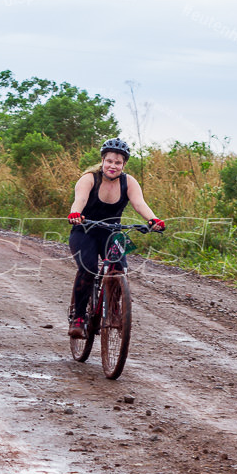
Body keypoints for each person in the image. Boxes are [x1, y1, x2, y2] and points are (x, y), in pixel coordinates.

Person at [67, 137, 164, 338]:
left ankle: (112, 311)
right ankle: (78, 317)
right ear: (103, 160)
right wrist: (75, 214)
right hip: (84, 230)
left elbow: (139, 203)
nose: (113, 166)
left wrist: (153, 219)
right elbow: (80, 199)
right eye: (109, 161)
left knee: (119, 269)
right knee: (89, 268)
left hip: (112, 232)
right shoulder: (89, 179)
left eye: (118, 162)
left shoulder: (128, 182)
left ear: (124, 164)